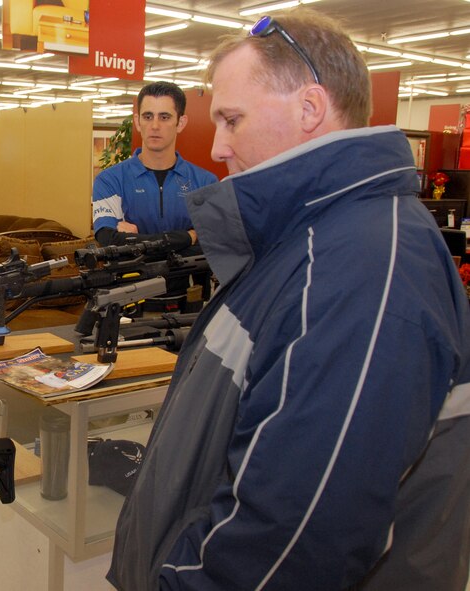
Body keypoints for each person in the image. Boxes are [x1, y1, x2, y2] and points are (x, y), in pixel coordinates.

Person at [108, 9, 470, 591]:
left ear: (309, 109)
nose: (219, 147)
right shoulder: (306, 241)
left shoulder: (364, 267)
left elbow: (291, 543)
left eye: (231, 120)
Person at [92, 80, 218, 253]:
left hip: (188, 280)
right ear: (137, 121)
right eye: (148, 116)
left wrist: (135, 241)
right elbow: (109, 239)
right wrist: (188, 237)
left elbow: (213, 243)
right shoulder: (110, 180)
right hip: (131, 279)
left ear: (180, 123)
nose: (155, 126)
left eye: (164, 117)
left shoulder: (205, 182)